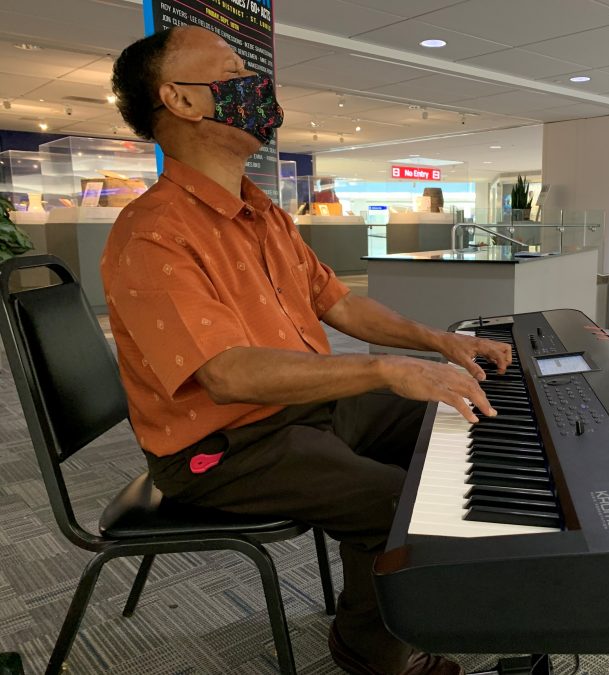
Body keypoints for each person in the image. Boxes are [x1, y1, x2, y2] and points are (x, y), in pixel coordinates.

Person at [102, 27, 511, 675]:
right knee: (397, 504)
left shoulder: (264, 215)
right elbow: (228, 374)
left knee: (454, 421)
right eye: (234, 69)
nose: (257, 83)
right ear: (180, 100)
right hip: (223, 447)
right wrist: (382, 367)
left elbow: (339, 304)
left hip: (300, 407)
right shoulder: (153, 232)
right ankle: (373, 651)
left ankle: (424, 586)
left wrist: (440, 343)